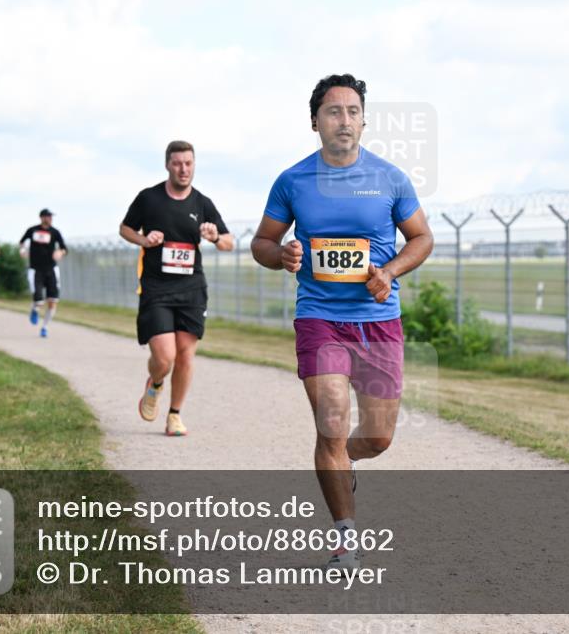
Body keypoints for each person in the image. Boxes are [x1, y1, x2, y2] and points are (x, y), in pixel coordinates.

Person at [251, 74, 433, 570]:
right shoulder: (292, 181)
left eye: (353, 111)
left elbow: (421, 238)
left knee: (377, 438)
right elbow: (261, 243)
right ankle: (346, 538)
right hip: (320, 318)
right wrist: (281, 255)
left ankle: (344, 458)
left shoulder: (390, 178)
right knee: (331, 423)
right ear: (315, 122)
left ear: (364, 121)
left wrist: (389, 272)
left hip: (378, 322)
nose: (344, 120)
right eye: (334, 111)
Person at [119, 140, 233, 436]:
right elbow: (125, 228)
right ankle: (155, 383)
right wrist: (144, 240)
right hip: (156, 288)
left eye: (188, 163)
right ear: (167, 165)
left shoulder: (202, 203)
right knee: (164, 357)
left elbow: (228, 242)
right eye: (178, 163)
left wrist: (214, 237)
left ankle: (174, 415)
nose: (184, 169)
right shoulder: (149, 198)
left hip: (191, 289)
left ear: (194, 165)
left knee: (185, 355)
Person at [19, 209, 68, 338]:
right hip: (36, 269)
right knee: (39, 300)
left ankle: (45, 327)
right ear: (42, 217)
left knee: (52, 302)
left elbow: (64, 248)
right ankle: (35, 309)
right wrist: (23, 250)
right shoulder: (32, 230)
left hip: (51, 269)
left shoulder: (55, 232)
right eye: (48, 216)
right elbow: (22, 242)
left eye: (51, 216)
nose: (50, 219)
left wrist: (60, 252)